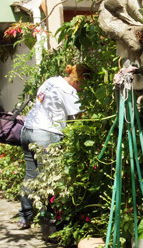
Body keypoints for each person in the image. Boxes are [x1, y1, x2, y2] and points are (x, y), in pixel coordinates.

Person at [18, 64, 90, 229]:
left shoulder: (51, 81)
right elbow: (80, 117)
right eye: (83, 86)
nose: (82, 90)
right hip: (45, 135)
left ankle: (25, 217)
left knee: (31, 177)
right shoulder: (68, 91)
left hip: (28, 130)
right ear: (78, 81)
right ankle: (48, 221)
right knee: (49, 180)